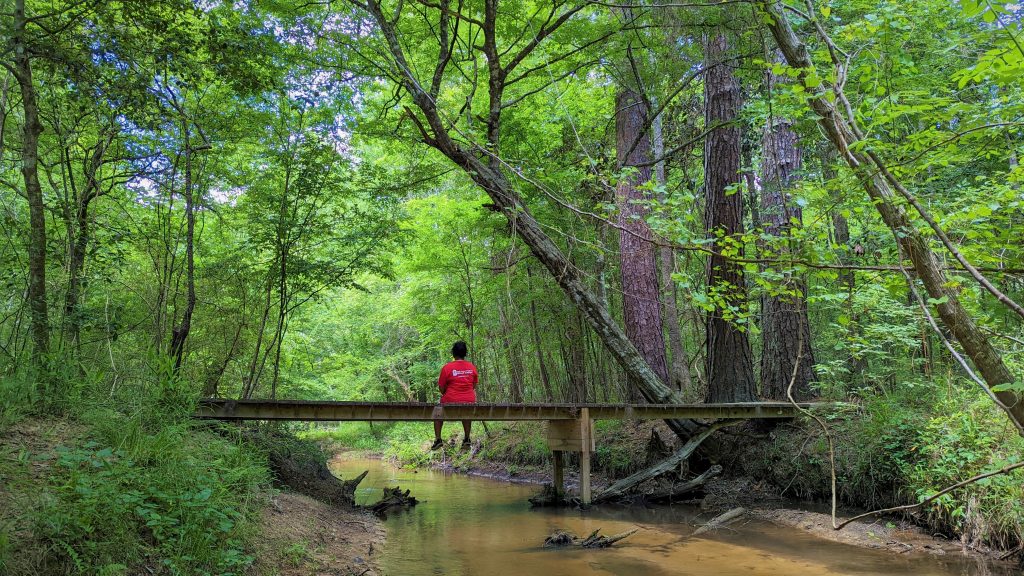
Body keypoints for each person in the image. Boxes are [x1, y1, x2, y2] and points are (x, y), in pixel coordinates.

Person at [432, 341, 478, 450]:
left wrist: (449, 395)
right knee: (467, 411)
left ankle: (438, 439)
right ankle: (467, 439)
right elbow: (473, 386)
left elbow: (441, 388)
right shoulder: (472, 367)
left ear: (453, 353)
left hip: (450, 401)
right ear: (465, 353)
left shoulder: (447, 368)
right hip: (469, 400)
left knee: (437, 411)